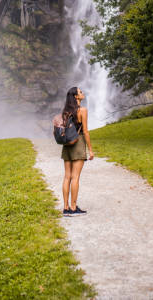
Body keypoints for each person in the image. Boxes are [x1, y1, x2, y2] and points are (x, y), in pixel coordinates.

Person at [61, 86, 94, 216]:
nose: (83, 93)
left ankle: (66, 207)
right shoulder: (83, 110)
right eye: (80, 92)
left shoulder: (66, 111)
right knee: (75, 177)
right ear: (76, 96)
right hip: (78, 143)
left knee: (67, 176)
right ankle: (74, 208)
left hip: (67, 144)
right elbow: (85, 131)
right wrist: (90, 150)